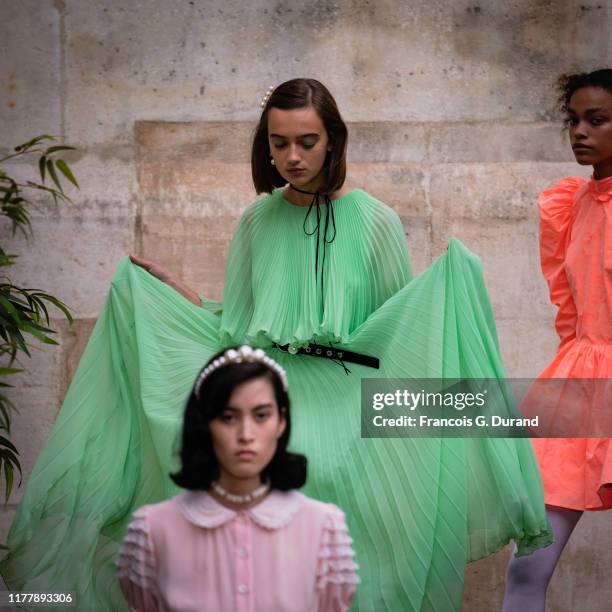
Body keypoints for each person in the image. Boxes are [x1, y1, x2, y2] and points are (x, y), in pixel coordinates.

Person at [1, 78, 551, 611]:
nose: (292, 156)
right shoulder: (257, 220)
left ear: (332, 139)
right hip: (275, 400)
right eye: (279, 142)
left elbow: (393, 331)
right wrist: (179, 297)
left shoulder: (377, 221)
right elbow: (236, 331)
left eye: (307, 141)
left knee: (364, 554)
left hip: (347, 405)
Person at [117, 345, 358, 611]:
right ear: (205, 424)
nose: (246, 434)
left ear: (281, 422)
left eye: (261, 415)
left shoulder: (324, 527)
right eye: (228, 417)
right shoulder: (152, 529)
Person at [502, 69, 612, 612]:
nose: (579, 131)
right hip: (577, 384)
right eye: (573, 119)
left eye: (597, 119)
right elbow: (570, 313)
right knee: (526, 566)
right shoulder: (569, 205)